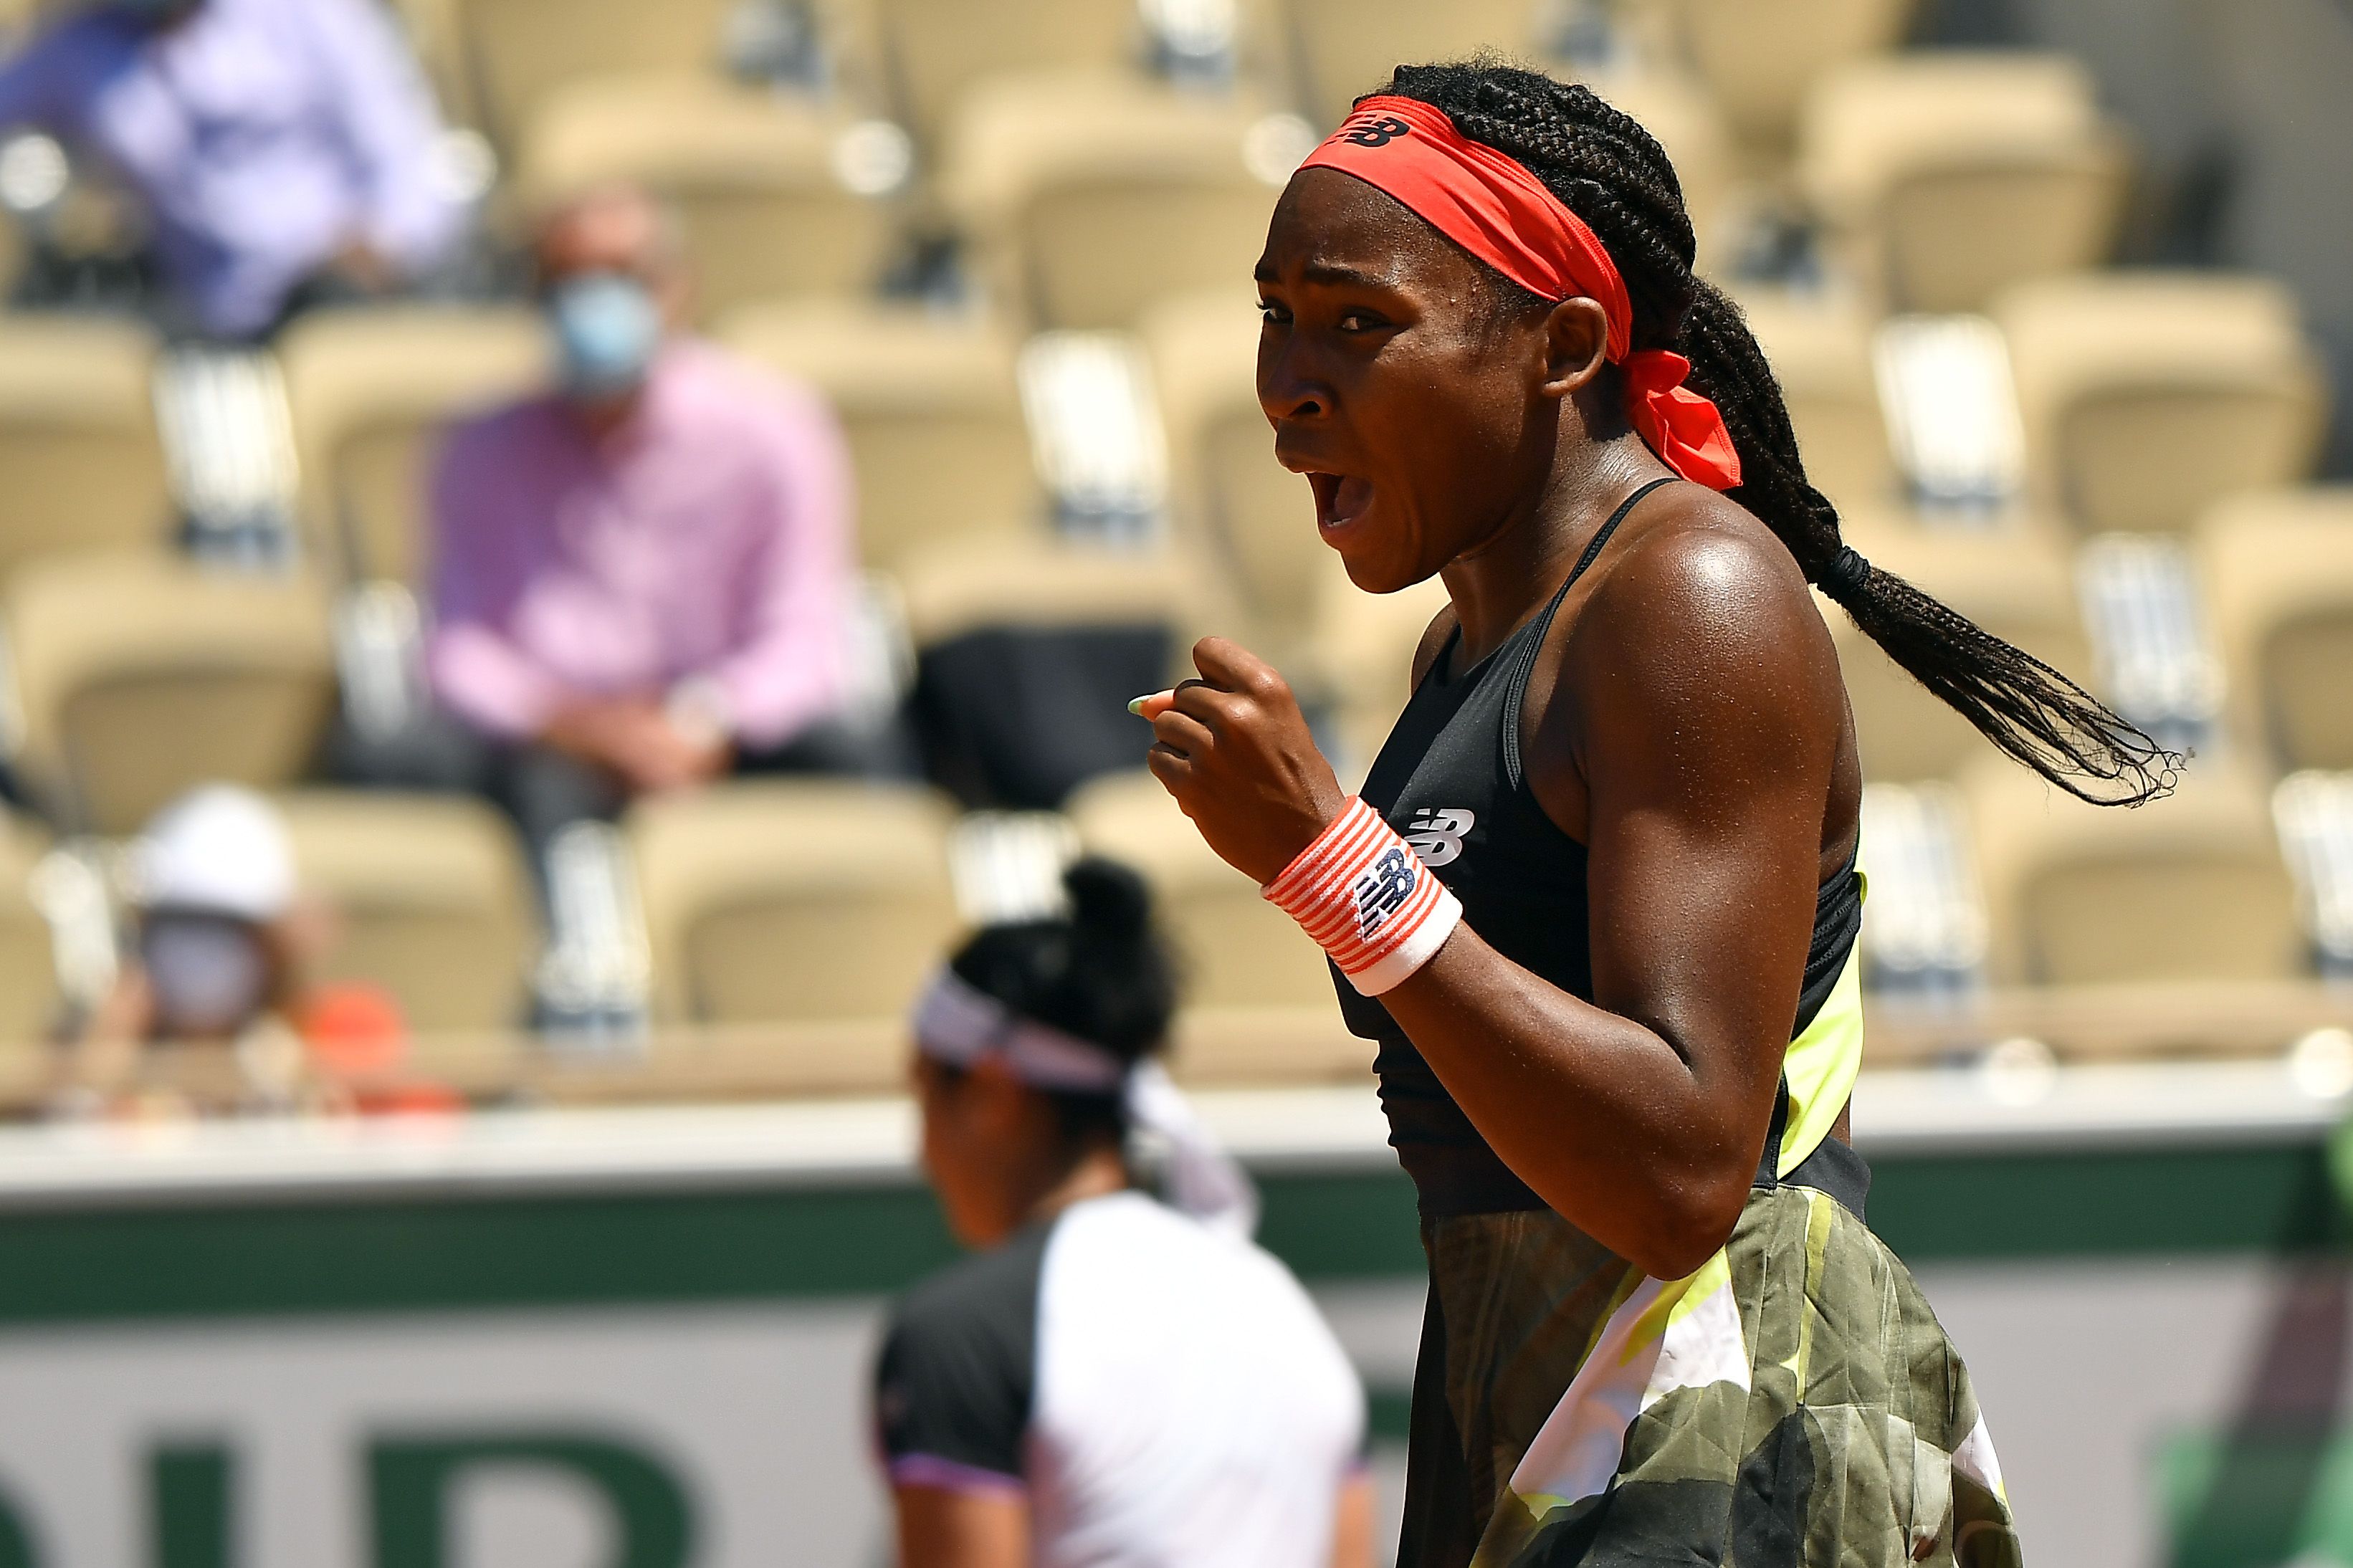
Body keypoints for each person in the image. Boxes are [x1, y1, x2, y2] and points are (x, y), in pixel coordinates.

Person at [1135, 66, 2175, 1565]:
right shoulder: (1467, 649)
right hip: (1538, 1399)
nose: (1291, 378)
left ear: (1561, 347)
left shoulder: (1693, 599)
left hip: (1720, 1427)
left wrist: (1332, 861)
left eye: (1361, 321)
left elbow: (1684, 1169)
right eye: (1276, 312)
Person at [877, 857, 1373, 1568]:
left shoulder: (961, 1333)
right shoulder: (1283, 1305)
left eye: (923, 1094)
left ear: (990, 1093)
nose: (919, 1148)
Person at [412, 185, 889, 869]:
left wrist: (700, 721)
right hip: (552, 741)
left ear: (678, 287)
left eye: (623, 279)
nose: (595, 302)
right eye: (569, 282)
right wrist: (574, 727)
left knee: (853, 760)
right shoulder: (478, 445)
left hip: (723, 730)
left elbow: (801, 640)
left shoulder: (773, 431)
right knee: (443, 774)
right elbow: (458, 649)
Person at [0, 0, 463, 339]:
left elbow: (409, 163)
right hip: (200, 324)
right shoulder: (80, 47)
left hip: (346, 303)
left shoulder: (311, 13)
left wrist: (383, 246)